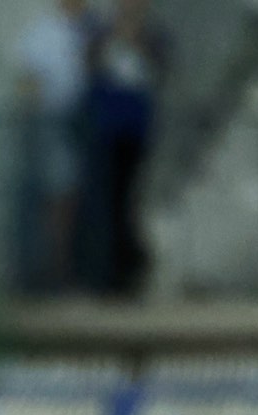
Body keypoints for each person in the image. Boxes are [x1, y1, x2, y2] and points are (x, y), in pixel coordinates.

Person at [13, 0, 101, 292]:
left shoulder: (93, 31)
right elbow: (29, 81)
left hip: (89, 124)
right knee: (58, 197)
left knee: (75, 197)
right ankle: (53, 271)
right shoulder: (43, 33)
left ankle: (79, 268)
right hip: (53, 122)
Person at [84, 0, 169, 296]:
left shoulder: (152, 37)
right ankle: (109, 271)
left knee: (128, 198)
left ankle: (128, 269)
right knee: (108, 201)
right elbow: (90, 65)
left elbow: (162, 69)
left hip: (135, 130)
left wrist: (137, 42)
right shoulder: (102, 35)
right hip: (107, 130)